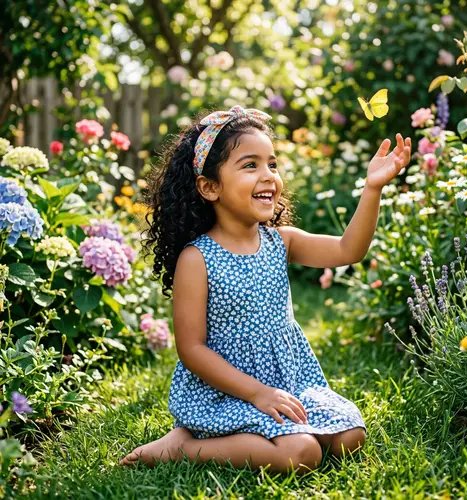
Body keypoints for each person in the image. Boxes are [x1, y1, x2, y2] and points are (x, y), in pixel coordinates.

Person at [120, 105, 411, 474]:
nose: (268, 176)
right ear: (210, 187)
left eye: (272, 164)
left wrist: (372, 188)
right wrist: (257, 393)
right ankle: (183, 447)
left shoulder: (280, 241)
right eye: (250, 165)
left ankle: (260, 436)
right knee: (302, 454)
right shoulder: (197, 259)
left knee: (350, 436)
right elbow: (191, 349)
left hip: (288, 381)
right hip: (227, 390)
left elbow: (347, 250)